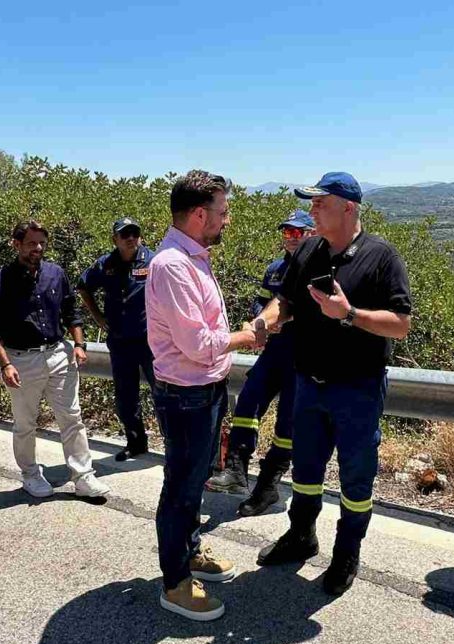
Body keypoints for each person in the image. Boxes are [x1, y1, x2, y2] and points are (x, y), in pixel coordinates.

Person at [253, 172, 413, 596]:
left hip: (356, 389)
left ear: (348, 207)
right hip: (307, 384)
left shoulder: (382, 257)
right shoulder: (307, 249)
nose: (313, 209)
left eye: (320, 202)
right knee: (305, 472)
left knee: (356, 480)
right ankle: (301, 535)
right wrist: (265, 322)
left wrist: (349, 314)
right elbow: (285, 301)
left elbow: (400, 325)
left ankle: (346, 553)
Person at [145, 170, 262, 621]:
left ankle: (189, 552)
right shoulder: (172, 265)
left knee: (193, 482)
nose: (226, 221)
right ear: (199, 214)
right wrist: (249, 336)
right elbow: (198, 346)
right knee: (180, 487)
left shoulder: (193, 256)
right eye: (223, 212)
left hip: (206, 390)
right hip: (187, 395)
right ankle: (174, 583)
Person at [0, 220, 108, 499]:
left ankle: (83, 476)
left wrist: (78, 344)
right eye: (31, 243)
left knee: (72, 417)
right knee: (26, 423)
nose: (37, 248)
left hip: (59, 353)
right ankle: (30, 474)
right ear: (16, 245)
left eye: (41, 242)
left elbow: (70, 312)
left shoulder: (55, 273)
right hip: (22, 359)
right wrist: (6, 364)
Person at [207, 209, 315, 519]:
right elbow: (261, 300)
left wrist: (288, 317)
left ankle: (268, 484)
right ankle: (237, 470)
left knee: (287, 426)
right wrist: (257, 318)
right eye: (287, 232)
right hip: (273, 353)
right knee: (247, 404)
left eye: (297, 232)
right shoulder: (275, 269)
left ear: (311, 234)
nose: (291, 238)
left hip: (302, 358)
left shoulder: (319, 268)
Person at [78, 217, 156, 461]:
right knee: (126, 396)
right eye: (125, 234)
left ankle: (175, 446)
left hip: (151, 341)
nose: (131, 238)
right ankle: (136, 443)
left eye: (134, 233)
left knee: (163, 394)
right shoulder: (105, 264)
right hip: (121, 341)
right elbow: (83, 287)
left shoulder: (153, 261)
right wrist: (98, 316)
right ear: (115, 239)